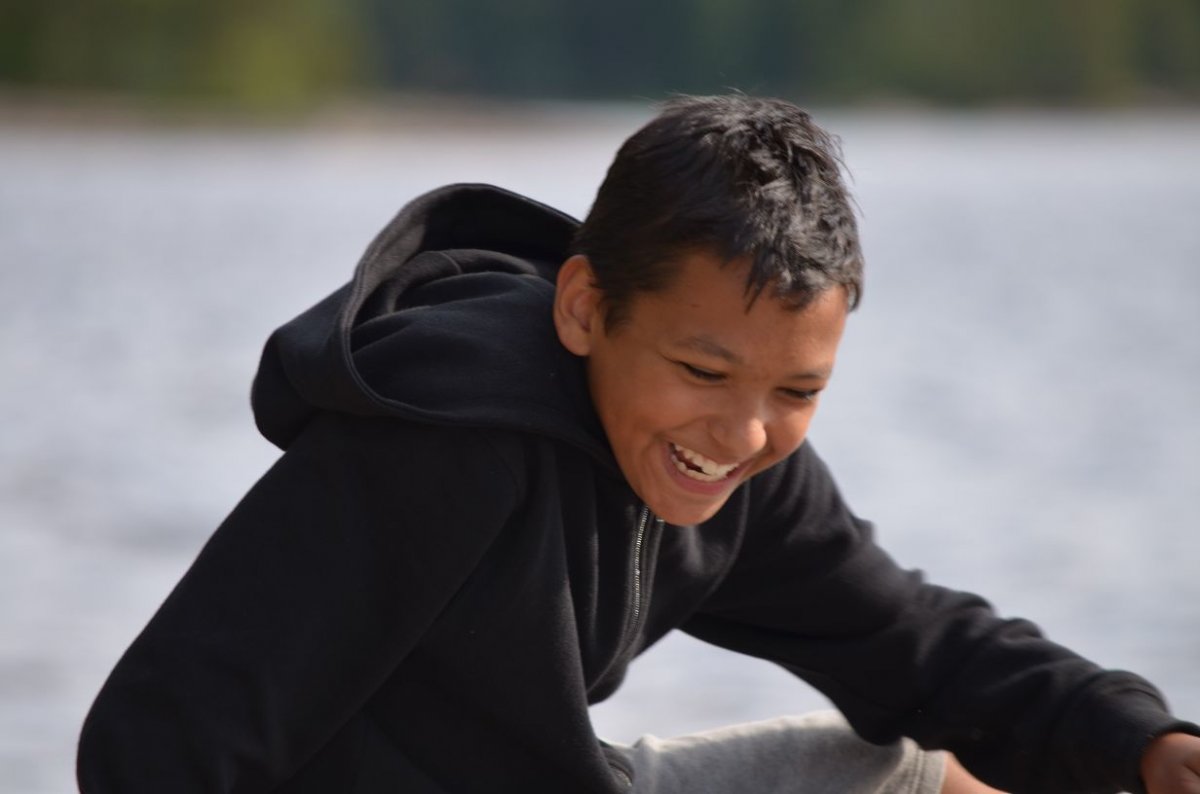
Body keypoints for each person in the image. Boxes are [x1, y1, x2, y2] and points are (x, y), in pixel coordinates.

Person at [77, 95, 1200, 793]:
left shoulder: (743, 468)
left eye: (798, 389)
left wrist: (1143, 740)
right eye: (703, 371)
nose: (744, 431)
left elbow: (917, 646)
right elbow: (151, 744)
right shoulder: (445, 444)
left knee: (918, 778)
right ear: (584, 309)